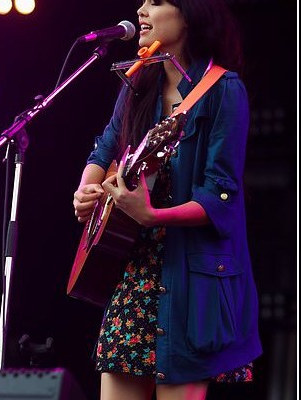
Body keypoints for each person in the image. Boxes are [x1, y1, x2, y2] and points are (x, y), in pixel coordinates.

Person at [73, 0, 262, 399]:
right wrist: (87, 189)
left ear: (191, 14)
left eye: (155, 2)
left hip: (193, 285)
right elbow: (104, 148)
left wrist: (152, 214)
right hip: (133, 276)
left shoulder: (224, 90)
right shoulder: (138, 83)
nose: (140, 10)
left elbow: (221, 196)